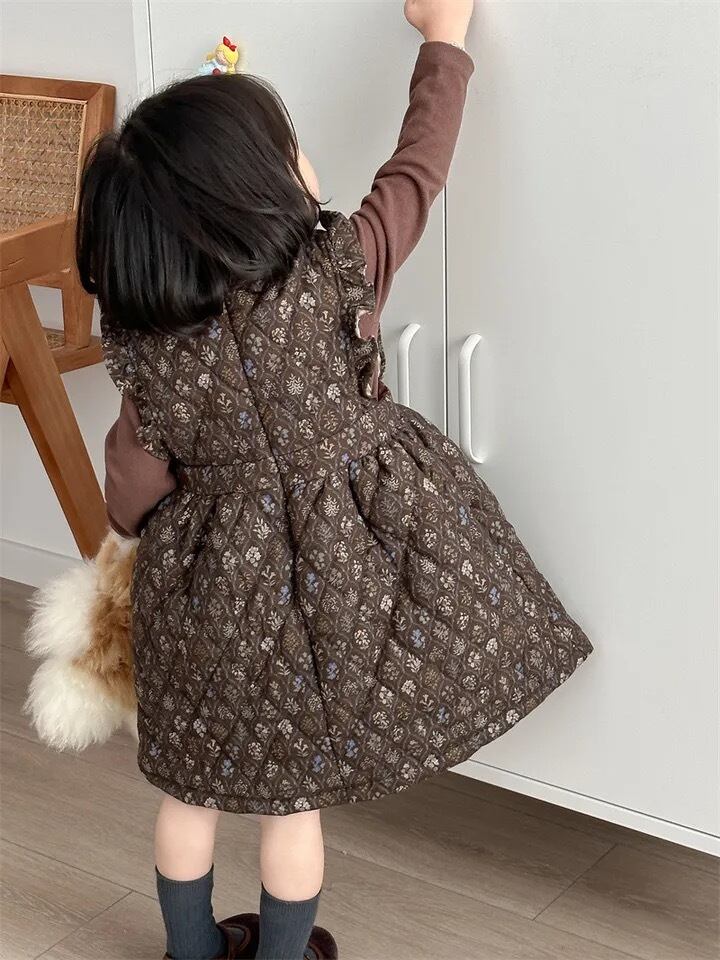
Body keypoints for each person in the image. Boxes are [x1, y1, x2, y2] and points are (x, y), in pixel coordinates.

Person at [76, 1, 592, 957]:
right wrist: (444, 41)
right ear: (257, 194)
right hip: (339, 600)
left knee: (188, 795)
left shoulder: (149, 351)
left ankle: (190, 951)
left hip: (207, 607)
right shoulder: (341, 270)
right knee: (291, 810)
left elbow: (131, 492)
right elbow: (419, 167)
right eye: (291, 152)